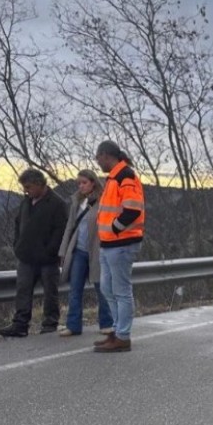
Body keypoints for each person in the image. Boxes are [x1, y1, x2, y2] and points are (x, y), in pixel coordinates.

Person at [0, 168, 68, 337]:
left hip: (47, 259)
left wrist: (50, 251)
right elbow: (18, 223)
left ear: (39, 184)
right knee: (23, 290)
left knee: (50, 292)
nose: (26, 190)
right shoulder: (26, 202)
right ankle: (20, 324)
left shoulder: (57, 203)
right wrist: (18, 245)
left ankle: (50, 323)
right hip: (26, 257)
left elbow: (60, 230)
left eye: (29, 187)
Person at [92, 141, 145, 353]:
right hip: (108, 244)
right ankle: (116, 330)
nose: (97, 161)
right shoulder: (114, 177)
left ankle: (123, 336)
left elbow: (132, 209)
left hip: (122, 244)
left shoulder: (125, 176)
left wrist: (115, 228)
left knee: (121, 291)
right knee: (107, 288)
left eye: (98, 157)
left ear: (106, 155)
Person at [57, 169, 113, 337]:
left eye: (84, 183)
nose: (81, 186)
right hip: (78, 250)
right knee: (75, 289)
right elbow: (70, 227)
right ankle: (73, 325)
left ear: (93, 182)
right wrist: (63, 251)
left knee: (101, 287)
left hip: (97, 250)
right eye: (79, 183)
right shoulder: (77, 201)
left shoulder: (103, 200)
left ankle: (107, 323)